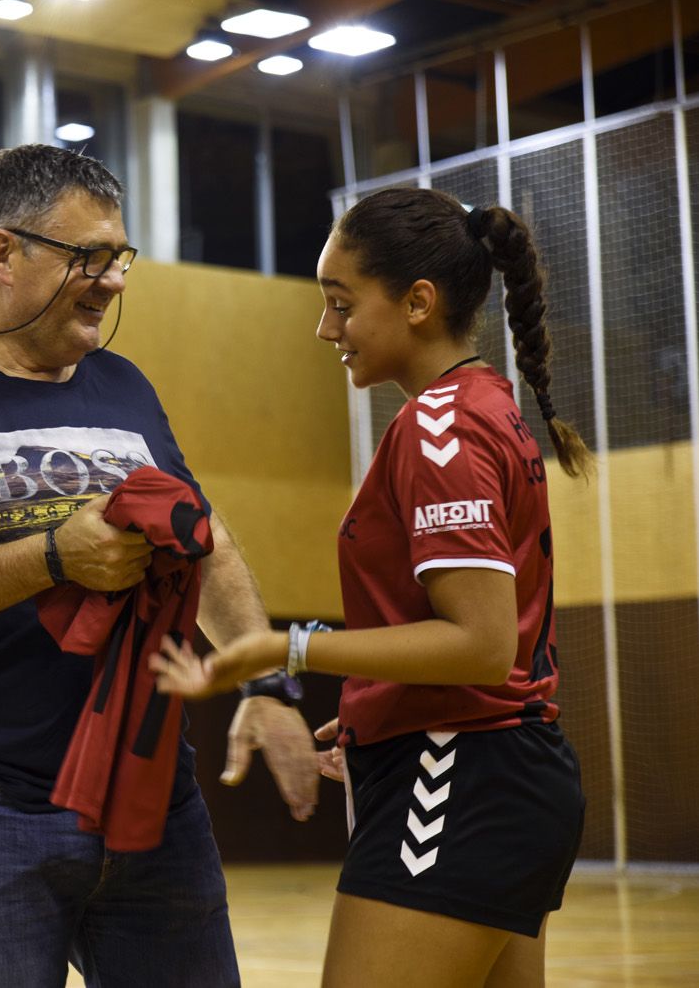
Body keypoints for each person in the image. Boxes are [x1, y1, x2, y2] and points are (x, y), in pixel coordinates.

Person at [0, 143, 319, 988]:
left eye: (119, 257)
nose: (113, 279)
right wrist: (55, 556)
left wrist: (263, 683)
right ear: (3, 252)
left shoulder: (123, 384)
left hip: (154, 801)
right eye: (86, 257)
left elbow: (209, 539)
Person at [152, 187, 587, 987]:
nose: (326, 328)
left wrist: (284, 645)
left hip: (460, 777)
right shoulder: (486, 404)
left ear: (418, 302)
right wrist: (377, 708)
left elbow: (485, 644)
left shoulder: (439, 429)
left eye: (341, 303)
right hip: (499, 773)